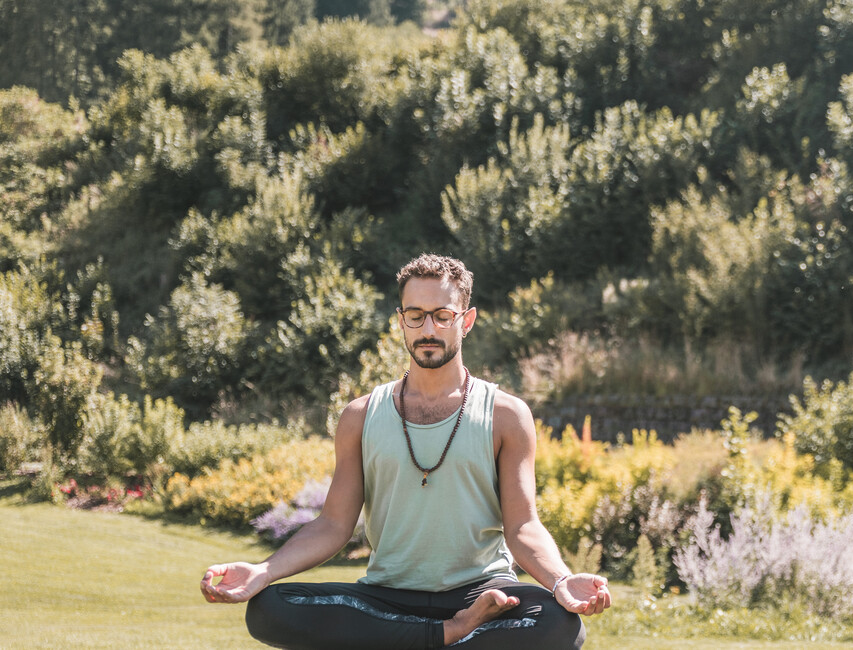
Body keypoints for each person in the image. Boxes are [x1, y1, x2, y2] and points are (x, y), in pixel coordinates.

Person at [200, 254, 612, 649]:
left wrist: (560, 580)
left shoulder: (506, 415)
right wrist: (262, 571)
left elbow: (522, 527)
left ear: (465, 321)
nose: (427, 328)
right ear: (401, 321)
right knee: (270, 609)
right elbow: (332, 525)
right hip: (387, 597)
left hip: (484, 595)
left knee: (560, 625)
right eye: (415, 315)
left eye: (442, 316)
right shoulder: (360, 416)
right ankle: (451, 635)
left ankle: (415, 639)